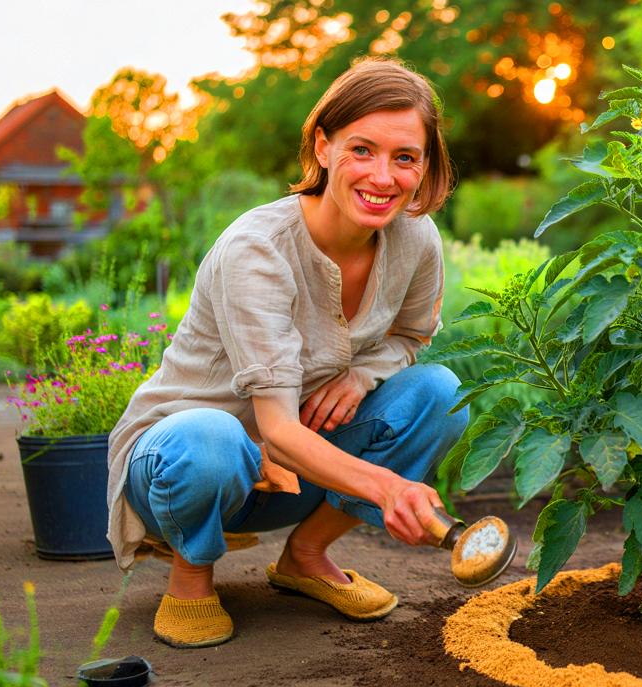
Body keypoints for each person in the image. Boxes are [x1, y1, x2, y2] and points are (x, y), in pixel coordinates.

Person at [105, 57, 466, 648]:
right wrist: (391, 488)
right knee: (211, 437)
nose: (383, 177)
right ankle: (190, 574)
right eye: (362, 150)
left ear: (425, 165)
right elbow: (272, 429)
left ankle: (306, 555)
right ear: (323, 147)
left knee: (443, 394)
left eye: (405, 157)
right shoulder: (258, 250)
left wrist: (361, 376)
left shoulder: (415, 239)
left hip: (296, 474)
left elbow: (411, 336)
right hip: (186, 467)